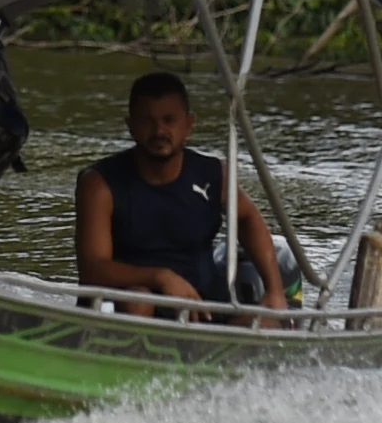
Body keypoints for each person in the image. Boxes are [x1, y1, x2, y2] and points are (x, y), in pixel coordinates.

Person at [73, 70, 283, 311]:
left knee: (268, 320)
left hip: (203, 305)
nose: (159, 131)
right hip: (133, 304)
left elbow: (249, 219)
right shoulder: (100, 184)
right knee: (138, 300)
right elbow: (93, 268)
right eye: (147, 121)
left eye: (169, 120)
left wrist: (275, 291)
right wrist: (160, 277)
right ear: (130, 126)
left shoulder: (213, 175)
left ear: (188, 125)